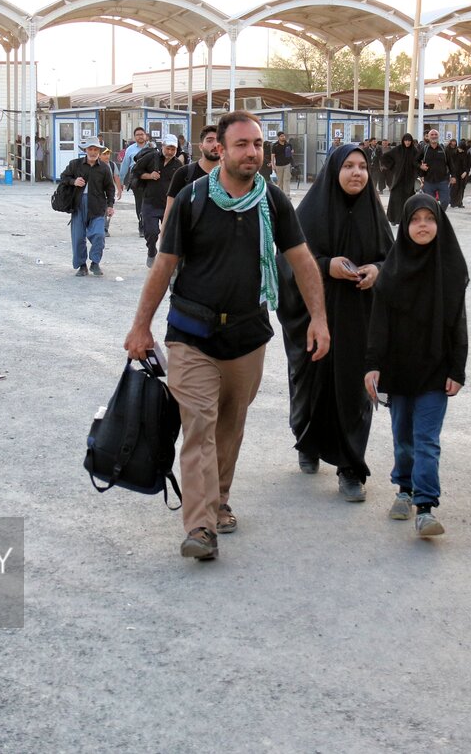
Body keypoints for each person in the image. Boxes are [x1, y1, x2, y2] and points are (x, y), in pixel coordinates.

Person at [123, 111, 330, 561]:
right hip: (191, 334)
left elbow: (301, 259)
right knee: (199, 425)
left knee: (230, 425)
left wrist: (319, 318)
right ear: (221, 148)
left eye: (258, 144)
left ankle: (219, 498)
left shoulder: (273, 202)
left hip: (247, 335)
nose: (252, 152)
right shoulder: (194, 198)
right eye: (242, 144)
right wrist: (141, 325)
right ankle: (200, 526)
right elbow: (165, 265)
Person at [277, 142, 392, 501]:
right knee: (312, 385)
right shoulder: (309, 212)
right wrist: (325, 266)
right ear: (334, 171)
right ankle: (308, 442)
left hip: (360, 319)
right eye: (348, 167)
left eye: (362, 166)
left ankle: (350, 468)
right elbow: (286, 262)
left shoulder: (375, 213)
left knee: (356, 390)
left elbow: (396, 262)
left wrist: (377, 270)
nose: (356, 173)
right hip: (316, 316)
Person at [364, 193, 469, 538]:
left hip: (436, 370)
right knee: (403, 438)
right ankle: (404, 489)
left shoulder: (451, 269)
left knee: (426, 439)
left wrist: (458, 369)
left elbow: (458, 323)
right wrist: (373, 364)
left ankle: (425, 506)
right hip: (398, 367)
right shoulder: (391, 270)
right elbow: (378, 323)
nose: (422, 226)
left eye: (430, 219)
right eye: (415, 220)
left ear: (440, 224)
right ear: (405, 225)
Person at [58, 139, 116, 276]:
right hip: (78, 205)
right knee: (78, 237)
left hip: (97, 206)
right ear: (85, 150)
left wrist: (110, 205)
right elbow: (63, 177)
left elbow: (110, 188)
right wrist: (73, 181)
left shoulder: (104, 168)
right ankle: (81, 265)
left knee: (99, 235)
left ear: (99, 151)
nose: (93, 152)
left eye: (96, 149)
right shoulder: (75, 165)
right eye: (90, 149)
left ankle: (95, 263)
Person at [164, 124, 219, 228]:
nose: (215, 145)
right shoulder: (184, 174)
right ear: (200, 146)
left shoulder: (232, 177)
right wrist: (163, 241)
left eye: (219, 140)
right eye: (209, 140)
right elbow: (169, 211)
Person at [143, 135, 182, 267]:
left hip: (168, 205)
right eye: (168, 148)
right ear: (162, 146)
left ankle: (166, 261)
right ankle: (151, 251)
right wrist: (149, 175)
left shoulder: (178, 165)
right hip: (150, 202)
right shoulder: (151, 158)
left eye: (173, 149)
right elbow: (135, 172)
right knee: (151, 232)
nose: (170, 152)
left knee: (169, 235)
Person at [382, 133, 421, 224]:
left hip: (409, 179)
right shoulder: (397, 149)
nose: (407, 142)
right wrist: (392, 167)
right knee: (396, 199)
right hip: (398, 178)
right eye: (406, 140)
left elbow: (418, 162)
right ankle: (394, 219)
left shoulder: (414, 151)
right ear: (403, 141)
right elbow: (385, 157)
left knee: (408, 199)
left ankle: (407, 219)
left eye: (409, 141)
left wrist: (418, 173)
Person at [420, 129, 451, 208]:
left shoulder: (443, 149)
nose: (434, 136)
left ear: (438, 136)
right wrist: (420, 167)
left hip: (443, 181)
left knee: (445, 201)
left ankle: (440, 214)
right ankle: (435, 217)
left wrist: (453, 176)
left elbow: (451, 163)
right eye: (432, 135)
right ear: (428, 137)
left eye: (435, 135)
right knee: (430, 203)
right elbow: (415, 161)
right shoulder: (424, 149)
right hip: (428, 181)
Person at [447, 137, 470, 208]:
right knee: (454, 188)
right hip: (455, 173)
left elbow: (469, 165)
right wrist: (451, 173)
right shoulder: (454, 153)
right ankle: (453, 202)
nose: (460, 150)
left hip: (463, 174)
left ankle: (459, 203)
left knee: (461, 188)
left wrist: (466, 172)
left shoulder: (467, 154)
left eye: (461, 149)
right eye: (459, 148)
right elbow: (451, 163)